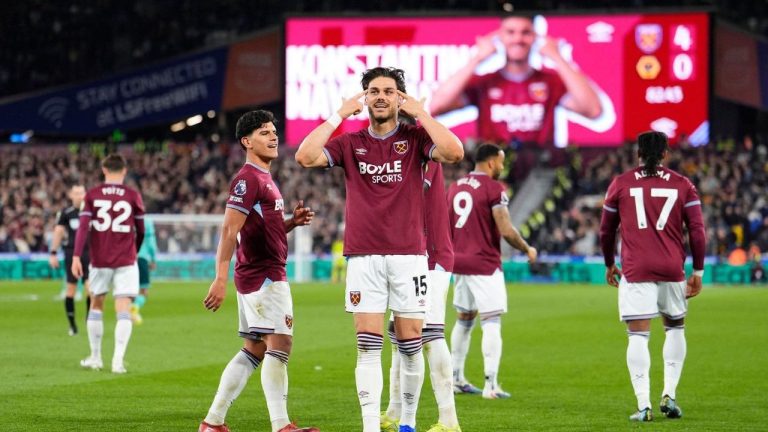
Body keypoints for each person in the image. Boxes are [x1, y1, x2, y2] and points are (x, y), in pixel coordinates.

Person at [295, 67, 464, 432]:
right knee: (368, 347)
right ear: (365, 98)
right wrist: (339, 114)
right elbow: (305, 157)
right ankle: (370, 426)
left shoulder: (417, 139)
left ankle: (407, 422)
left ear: (399, 98)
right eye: (374, 91)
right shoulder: (350, 143)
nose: (381, 96)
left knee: (410, 345)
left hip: (409, 256)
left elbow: (454, 152)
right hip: (363, 256)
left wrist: (421, 113)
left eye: (389, 91)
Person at [199, 110, 319, 432]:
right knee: (280, 345)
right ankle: (281, 426)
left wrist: (291, 222)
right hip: (264, 276)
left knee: (255, 349)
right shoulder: (247, 179)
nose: (273, 136)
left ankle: (213, 422)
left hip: (260, 274)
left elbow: (263, 227)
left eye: (274, 131)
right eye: (264, 132)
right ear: (247, 141)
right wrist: (220, 278)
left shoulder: (265, 177)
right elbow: (229, 230)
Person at [599, 131, 706, 422]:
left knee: (638, 335)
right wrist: (697, 271)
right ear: (665, 154)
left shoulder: (620, 184)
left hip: (636, 270)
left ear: (638, 154)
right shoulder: (684, 185)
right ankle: (669, 394)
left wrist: (609, 263)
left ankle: (644, 405)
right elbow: (697, 230)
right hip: (672, 269)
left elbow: (606, 231)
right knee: (675, 329)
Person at [447, 143, 537, 399]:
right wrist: (527, 248)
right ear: (490, 162)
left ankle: (456, 378)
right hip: (484, 263)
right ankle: (491, 385)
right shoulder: (494, 188)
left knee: (464, 320)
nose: (502, 166)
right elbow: (506, 229)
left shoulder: (455, 187)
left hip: (459, 262)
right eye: (501, 161)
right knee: (491, 321)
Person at [429, 15, 602, 147]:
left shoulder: (551, 82)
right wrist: (477, 58)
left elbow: (593, 110)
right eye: (511, 32)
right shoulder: (485, 83)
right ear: (500, 37)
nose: (518, 39)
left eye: (525, 32)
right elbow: (437, 106)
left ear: (535, 37)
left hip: (539, 175)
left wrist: (557, 57)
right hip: (494, 174)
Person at [381, 161, 461, 432]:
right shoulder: (399, 150)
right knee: (398, 333)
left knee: (429, 334)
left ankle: (449, 419)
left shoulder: (420, 149)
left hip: (430, 253)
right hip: (407, 254)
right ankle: (394, 410)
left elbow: (407, 196)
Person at [72, 154, 145, 374]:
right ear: (124, 171)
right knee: (123, 308)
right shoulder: (133, 195)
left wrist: (76, 256)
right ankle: (117, 361)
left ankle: (95, 358)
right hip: (125, 259)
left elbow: (83, 228)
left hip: (99, 259)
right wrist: (135, 249)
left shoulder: (92, 195)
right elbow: (140, 230)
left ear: (104, 170)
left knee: (96, 303)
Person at [49, 183, 91, 335]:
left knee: (90, 289)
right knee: (71, 289)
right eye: (76, 193)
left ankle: (89, 320)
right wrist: (53, 253)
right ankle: (72, 325)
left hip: (89, 254)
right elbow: (58, 232)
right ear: (71, 195)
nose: (80, 196)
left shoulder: (93, 211)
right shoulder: (66, 213)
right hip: (71, 254)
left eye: (82, 192)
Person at [131, 216, 157, 325]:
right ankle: (135, 309)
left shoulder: (126, 218)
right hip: (142, 257)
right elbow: (151, 243)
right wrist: (153, 259)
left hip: (127, 258)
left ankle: (130, 314)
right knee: (143, 290)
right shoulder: (147, 222)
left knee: (129, 289)